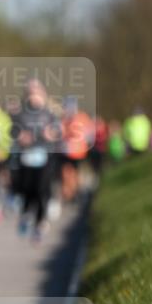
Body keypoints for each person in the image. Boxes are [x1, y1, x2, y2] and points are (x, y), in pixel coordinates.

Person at [12, 80, 62, 242]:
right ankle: (26, 214)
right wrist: (20, 136)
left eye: (37, 93)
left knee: (42, 190)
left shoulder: (50, 114)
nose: (34, 97)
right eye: (31, 93)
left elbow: (57, 132)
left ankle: (40, 223)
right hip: (26, 157)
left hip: (44, 157)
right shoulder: (20, 114)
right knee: (27, 189)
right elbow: (13, 131)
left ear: (43, 95)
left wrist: (50, 134)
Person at [60, 99, 94, 202]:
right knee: (67, 175)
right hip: (67, 153)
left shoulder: (81, 117)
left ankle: (74, 194)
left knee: (73, 175)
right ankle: (69, 195)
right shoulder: (65, 119)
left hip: (78, 153)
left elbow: (89, 135)